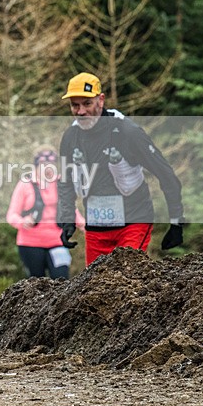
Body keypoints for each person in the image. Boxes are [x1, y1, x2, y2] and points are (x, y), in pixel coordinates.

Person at [56, 72, 185, 266]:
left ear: (101, 100)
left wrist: (176, 220)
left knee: (128, 277)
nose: (81, 111)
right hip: (96, 226)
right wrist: (67, 220)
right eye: (75, 105)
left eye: (87, 103)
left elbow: (165, 173)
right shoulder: (70, 137)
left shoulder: (127, 132)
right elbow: (66, 181)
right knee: (94, 287)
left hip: (134, 221)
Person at [6, 146, 85, 279]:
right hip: (30, 243)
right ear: (36, 166)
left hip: (57, 241)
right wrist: (22, 221)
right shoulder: (25, 184)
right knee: (36, 283)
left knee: (61, 281)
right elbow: (11, 215)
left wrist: (85, 226)